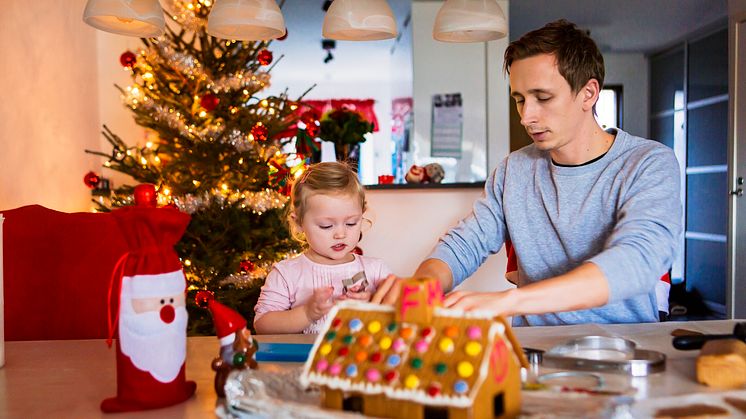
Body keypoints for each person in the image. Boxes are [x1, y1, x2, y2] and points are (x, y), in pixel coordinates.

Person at [373, 19, 682, 326]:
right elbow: (465, 244)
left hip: (623, 349)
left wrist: (510, 301)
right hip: (534, 351)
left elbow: (636, 260)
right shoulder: (513, 171)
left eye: (542, 98)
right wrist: (423, 285)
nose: (526, 117)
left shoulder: (648, 162)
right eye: (520, 100)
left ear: (588, 94)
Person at [254, 161, 392, 333]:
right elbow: (262, 325)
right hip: (306, 360)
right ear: (298, 223)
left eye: (351, 223)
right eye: (326, 226)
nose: (340, 234)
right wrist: (307, 313)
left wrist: (372, 303)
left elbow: (402, 316)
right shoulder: (287, 274)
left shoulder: (376, 270)